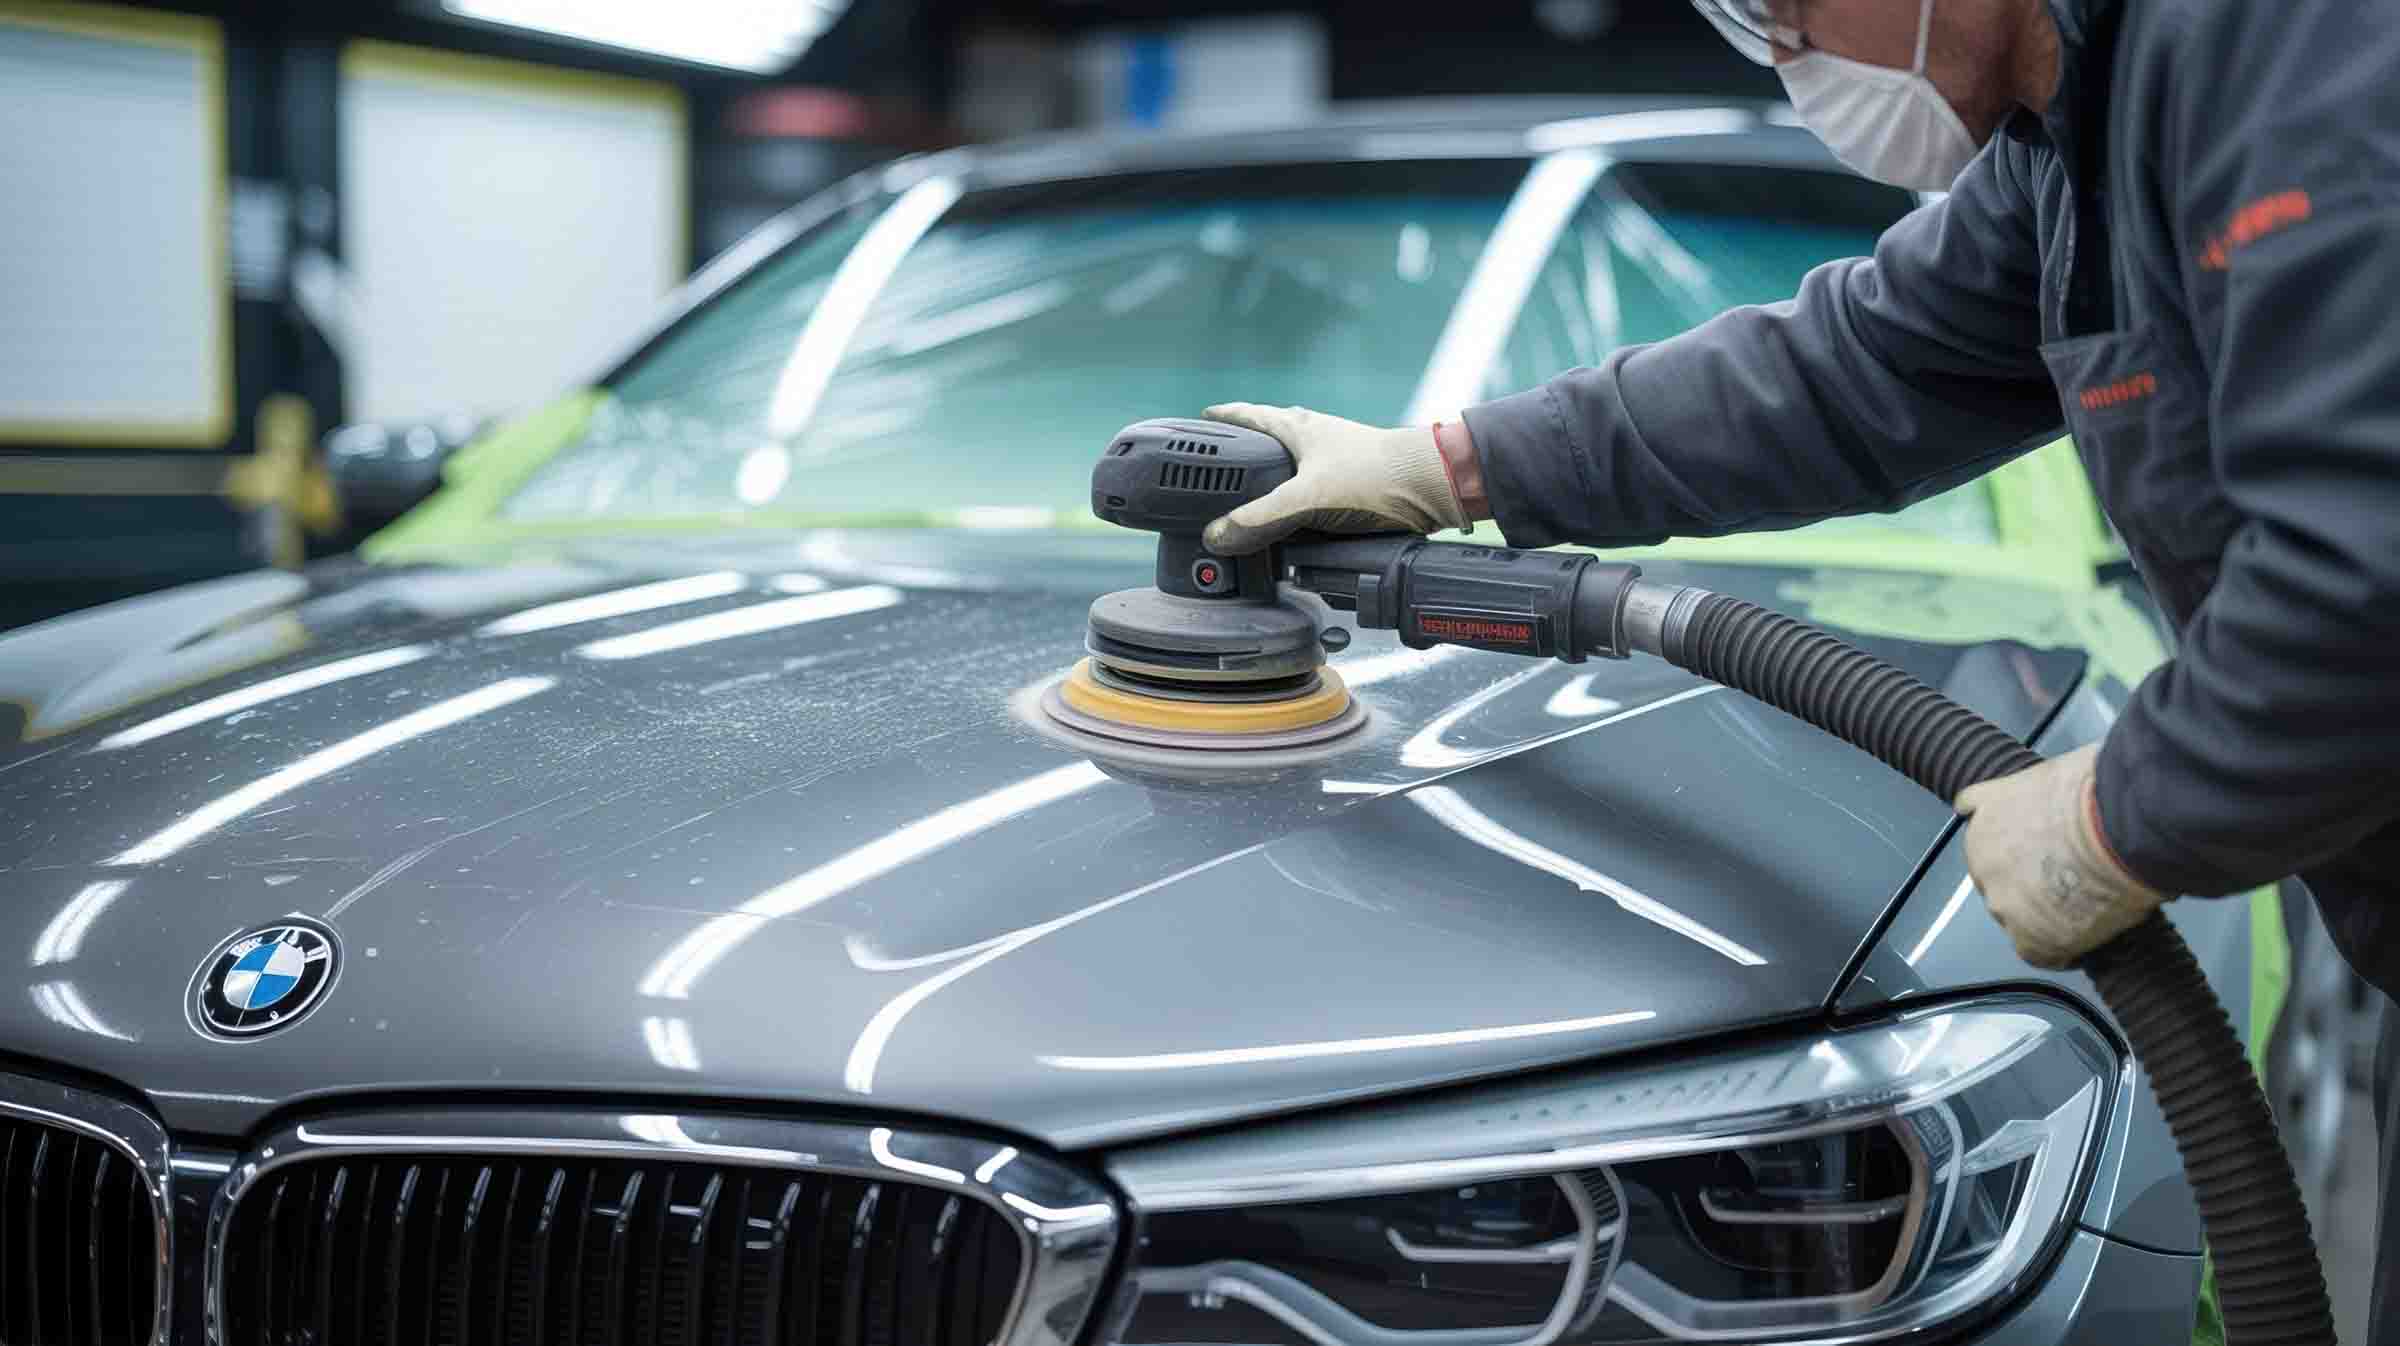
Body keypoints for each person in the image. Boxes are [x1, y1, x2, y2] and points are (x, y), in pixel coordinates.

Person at [1199, 0, 2400, 1329]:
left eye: (1786, 3)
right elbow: (1842, 368)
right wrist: (1448, 467)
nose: (1783, 49)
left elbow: (2372, 567)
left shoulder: (2287, 44)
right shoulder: (2080, 149)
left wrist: (2117, 817)